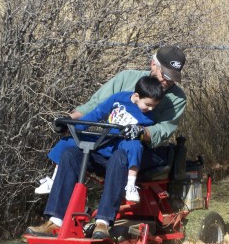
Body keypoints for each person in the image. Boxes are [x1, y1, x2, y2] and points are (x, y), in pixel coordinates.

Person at [26, 45, 187, 239]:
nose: (167, 81)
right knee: (71, 154)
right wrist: (69, 119)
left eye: (173, 77)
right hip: (107, 142)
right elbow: (96, 105)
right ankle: (56, 221)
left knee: (120, 158)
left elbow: (163, 130)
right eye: (165, 74)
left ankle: (103, 222)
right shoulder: (126, 78)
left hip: (139, 150)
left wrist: (140, 132)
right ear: (153, 64)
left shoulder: (177, 98)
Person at [37, 76, 165, 203]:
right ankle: (54, 180)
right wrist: (74, 127)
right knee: (70, 141)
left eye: (154, 106)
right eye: (148, 105)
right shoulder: (119, 98)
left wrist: (138, 130)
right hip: (104, 138)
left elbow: (142, 131)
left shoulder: (148, 117)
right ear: (136, 96)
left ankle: (130, 185)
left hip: (121, 143)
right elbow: (96, 114)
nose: (151, 109)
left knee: (135, 146)